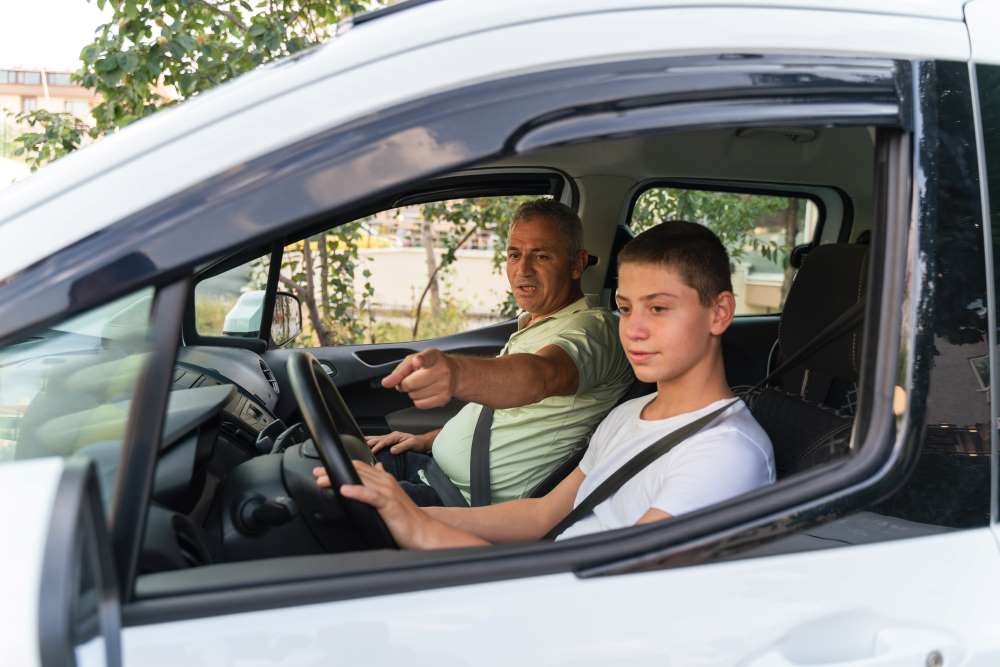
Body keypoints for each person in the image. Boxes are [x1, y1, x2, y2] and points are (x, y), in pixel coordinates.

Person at [315, 221, 776, 547]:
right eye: (626, 307)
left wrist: (417, 528)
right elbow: (540, 516)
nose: (633, 329)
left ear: (719, 313)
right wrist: (407, 510)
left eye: (658, 308)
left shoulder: (724, 455)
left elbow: (602, 604)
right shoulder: (628, 416)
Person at [365, 199, 633, 507]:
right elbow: (501, 418)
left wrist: (456, 373)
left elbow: (541, 376)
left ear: (576, 264)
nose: (523, 269)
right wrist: (427, 440)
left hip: (462, 504)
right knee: (329, 460)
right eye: (514, 254)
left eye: (541, 256)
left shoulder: (593, 330)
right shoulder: (536, 322)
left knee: (323, 496)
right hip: (431, 469)